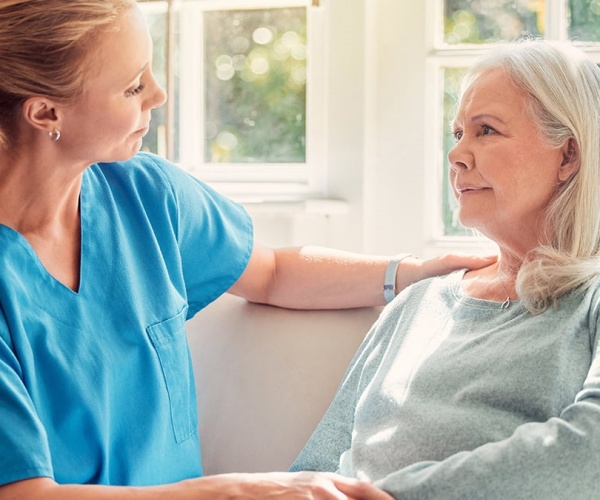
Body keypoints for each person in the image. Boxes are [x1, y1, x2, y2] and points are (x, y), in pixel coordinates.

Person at [0, 1, 495, 499]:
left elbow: (274, 272)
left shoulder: (147, 194)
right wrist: (235, 492)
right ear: (46, 112)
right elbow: (24, 494)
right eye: (133, 86)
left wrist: (409, 274)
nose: (159, 93)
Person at [290, 38, 600, 499]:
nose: (456, 155)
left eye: (486, 131)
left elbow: (589, 454)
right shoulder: (419, 301)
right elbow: (314, 468)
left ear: (568, 155)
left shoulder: (590, 301)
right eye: (458, 134)